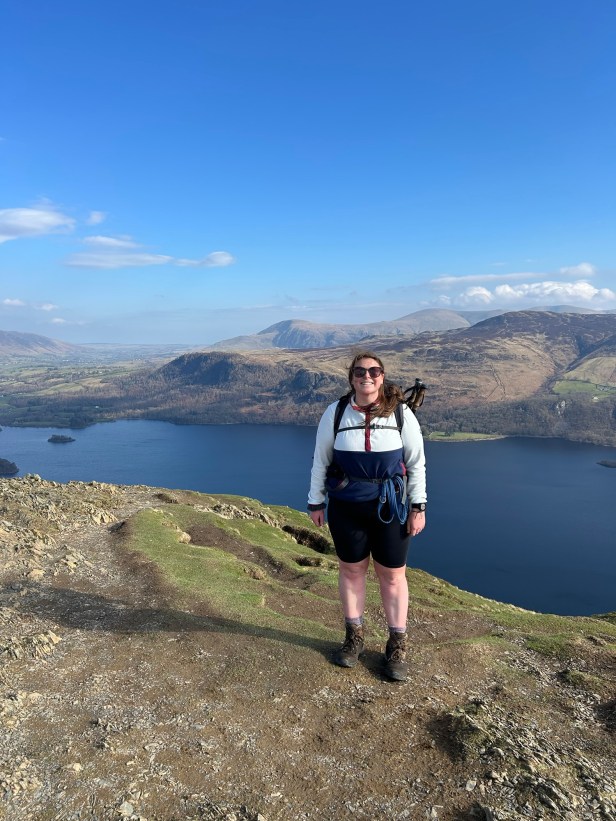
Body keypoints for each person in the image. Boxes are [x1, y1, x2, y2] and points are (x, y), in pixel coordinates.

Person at [307, 351, 427, 681]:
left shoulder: (401, 413)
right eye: (360, 371)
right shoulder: (336, 413)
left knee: (393, 576)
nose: (367, 376)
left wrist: (418, 507)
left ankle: (397, 645)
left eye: (374, 371)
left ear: (382, 376)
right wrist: (316, 502)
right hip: (347, 507)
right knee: (351, 571)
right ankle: (354, 637)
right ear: (351, 377)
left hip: (391, 507)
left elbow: (416, 463)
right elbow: (320, 460)